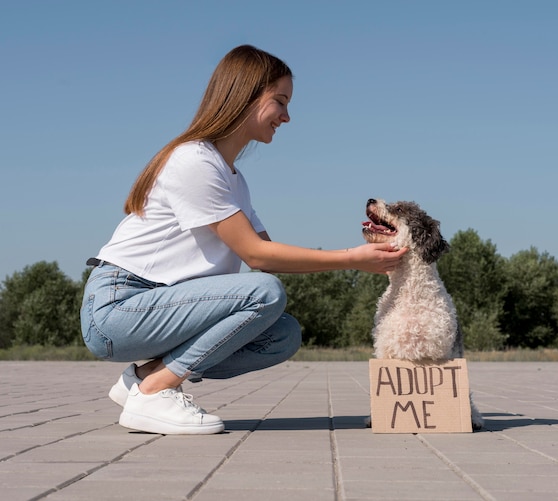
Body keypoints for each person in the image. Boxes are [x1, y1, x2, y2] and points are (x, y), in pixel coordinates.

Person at [80, 44, 407, 435]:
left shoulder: (233, 179)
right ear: (246, 97)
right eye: (280, 102)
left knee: (282, 335)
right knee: (265, 292)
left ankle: (145, 376)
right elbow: (258, 257)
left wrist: (360, 256)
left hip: (158, 310)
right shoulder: (194, 161)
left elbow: (269, 255)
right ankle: (154, 393)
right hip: (120, 308)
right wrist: (352, 258)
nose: (287, 117)